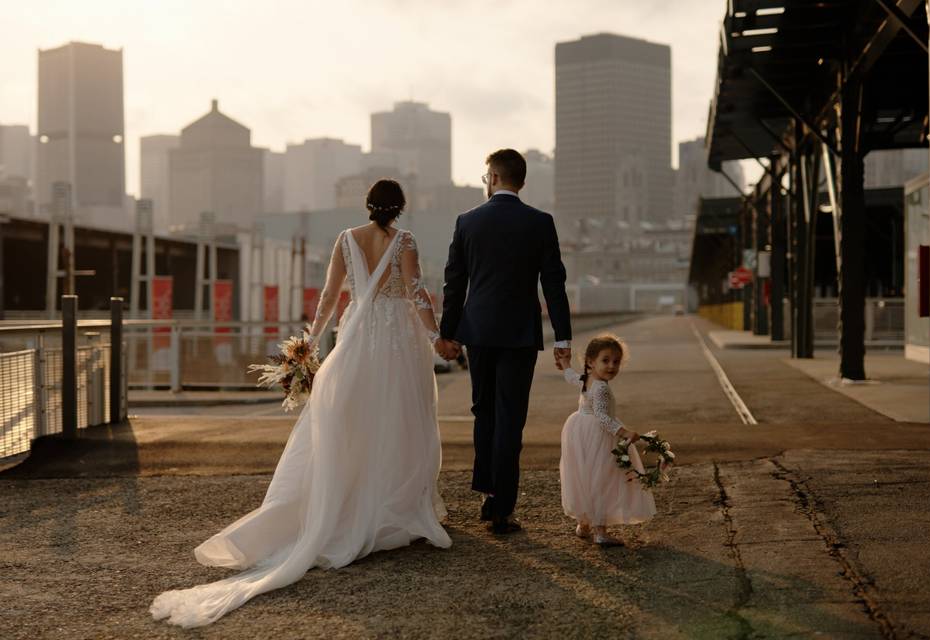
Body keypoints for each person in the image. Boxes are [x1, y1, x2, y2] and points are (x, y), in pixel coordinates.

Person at [150, 179, 451, 628]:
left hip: (358, 336)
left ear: (369, 206)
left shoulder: (347, 239)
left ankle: (357, 504)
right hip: (396, 341)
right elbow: (416, 292)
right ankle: (396, 507)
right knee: (401, 419)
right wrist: (435, 336)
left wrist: (310, 342)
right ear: (401, 208)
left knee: (352, 420)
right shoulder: (404, 241)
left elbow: (330, 297)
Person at [437, 148, 572, 534]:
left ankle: (487, 493)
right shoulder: (540, 222)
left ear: (492, 178)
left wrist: (449, 333)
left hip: (478, 331)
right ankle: (503, 508)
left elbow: (454, 283)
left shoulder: (467, 222)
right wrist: (562, 337)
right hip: (519, 333)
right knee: (511, 417)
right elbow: (554, 284)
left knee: (484, 411)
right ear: (522, 181)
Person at [558, 335, 656, 547]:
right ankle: (600, 531)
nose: (611, 366)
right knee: (601, 480)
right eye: (606, 360)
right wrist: (624, 432)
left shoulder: (586, 378)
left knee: (585, 476)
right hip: (597, 435)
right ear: (590, 361)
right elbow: (603, 417)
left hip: (579, 430)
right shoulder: (601, 387)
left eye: (616, 361)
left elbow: (570, 376)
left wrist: (565, 363)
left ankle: (584, 524)